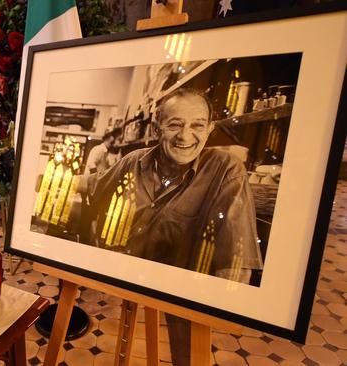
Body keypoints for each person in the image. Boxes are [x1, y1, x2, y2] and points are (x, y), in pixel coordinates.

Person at [83, 88, 263, 365]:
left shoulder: (225, 168)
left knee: (187, 356)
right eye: (175, 124)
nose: (185, 135)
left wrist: (218, 309)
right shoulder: (135, 161)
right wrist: (47, 179)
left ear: (210, 128)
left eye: (197, 125)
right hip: (129, 283)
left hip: (185, 294)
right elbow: (95, 188)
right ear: (157, 127)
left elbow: (235, 260)